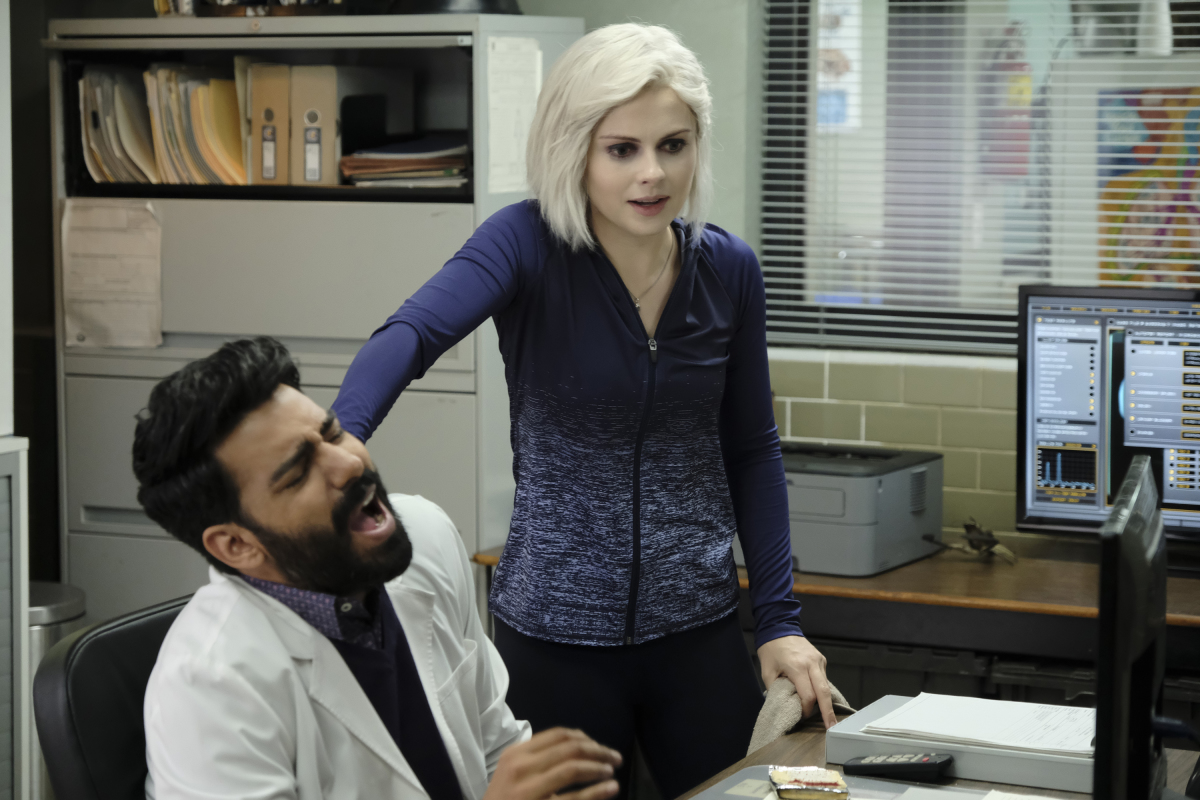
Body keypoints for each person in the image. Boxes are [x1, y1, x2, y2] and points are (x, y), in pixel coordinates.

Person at [332, 23, 834, 798]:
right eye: (622, 149)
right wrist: (337, 445)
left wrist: (780, 620)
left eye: (674, 144)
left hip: (696, 635)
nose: (652, 173)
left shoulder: (728, 270)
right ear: (577, 151)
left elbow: (751, 449)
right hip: (554, 641)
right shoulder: (525, 245)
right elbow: (413, 333)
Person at [133, 337, 622, 800]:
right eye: (301, 472)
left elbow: (493, 747)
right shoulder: (208, 690)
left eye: (332, 433)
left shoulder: (425, 538)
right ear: (237, 544)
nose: (347, 463)